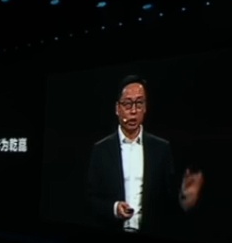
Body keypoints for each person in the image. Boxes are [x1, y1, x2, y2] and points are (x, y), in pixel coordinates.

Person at [86, 75, 202, 234]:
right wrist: (114, 208)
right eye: (128, 104)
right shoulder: (101, 150)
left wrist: (185, 198)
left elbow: (167, 202)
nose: (133, 111)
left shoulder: (161, 149)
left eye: (139, 103)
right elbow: (91, 200)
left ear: (145, 107)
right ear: (117, 108)